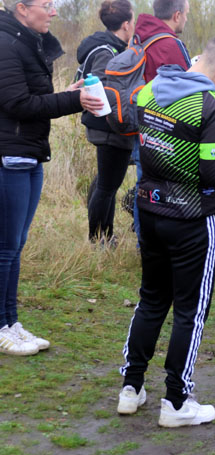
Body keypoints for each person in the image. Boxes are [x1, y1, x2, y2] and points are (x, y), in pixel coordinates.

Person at [117, 34, 215, 426]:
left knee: (152, 299)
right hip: (192, 220)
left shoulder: (150, 89)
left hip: (150, 210)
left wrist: (210, 144)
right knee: (190, 313)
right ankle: (176, 402)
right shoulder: (212, 104)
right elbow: (213, 173)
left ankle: (131, 387)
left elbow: (155, 142)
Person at [0, 0, 104, 356]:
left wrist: (68, 95)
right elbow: (18, 104)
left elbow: (38, 100)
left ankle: (11, 322)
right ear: (21, 8)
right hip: (8, 156)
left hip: (28, 154)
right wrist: (73, 100)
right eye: (47, 4)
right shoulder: (5, 43)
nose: (54, 11)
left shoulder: (26, 42)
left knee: (15, 245)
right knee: (4, 247)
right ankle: (0, 327)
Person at [131, 0, 192, 242]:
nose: (186, 19)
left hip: (140, 124)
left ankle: (143, 244)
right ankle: (155, 244)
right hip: (165, 130)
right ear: (177, 15)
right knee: (163, 189)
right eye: (186, 14)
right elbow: (188, 90)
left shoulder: (140, 38)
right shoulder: (170, 44)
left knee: (142, 186)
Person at [78, 0, 135, 246]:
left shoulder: (111, 47)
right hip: (109, 127)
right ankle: (98, 239)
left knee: (106, 183)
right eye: (132, 21)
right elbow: (104, 87)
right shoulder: (107, 51)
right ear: (125, 24)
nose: (134, 25)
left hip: (106, 126)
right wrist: (120, 115)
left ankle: (105, 235)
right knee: (106, 186)